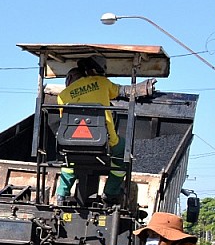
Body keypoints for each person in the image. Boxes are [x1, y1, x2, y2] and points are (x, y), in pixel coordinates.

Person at [55, 55, 156, 207]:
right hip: (103, 141)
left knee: (69, 161)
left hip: (71, 143)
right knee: (123, 152)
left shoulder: (62, 96)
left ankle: (61, 195)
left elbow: (66, 121)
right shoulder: (102, 82)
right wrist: (144, 88)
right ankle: (110, 194)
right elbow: (122, 91)